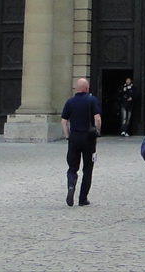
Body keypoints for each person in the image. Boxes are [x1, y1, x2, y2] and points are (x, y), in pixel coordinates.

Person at [59, 78, 101, 207]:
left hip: (74, 138)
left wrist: (68, 136)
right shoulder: (92, 100)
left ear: (76, 89)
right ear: (87, 88)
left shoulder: (70, 102)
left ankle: (71, 186)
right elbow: (97, 118)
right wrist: (97, 133)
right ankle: (83, 198)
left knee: (72, 167)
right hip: (88, 138)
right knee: (87, 169)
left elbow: (63, 121)